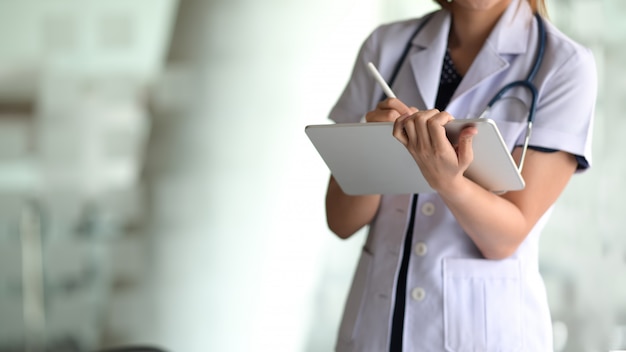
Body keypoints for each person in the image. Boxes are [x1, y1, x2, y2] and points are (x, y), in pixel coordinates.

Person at [324, 0, 596, 351]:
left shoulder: (564, 66)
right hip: (377, 327)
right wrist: (374, 151)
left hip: (482, 330)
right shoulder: (385, 46)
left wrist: (449, 182)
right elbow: (340, 220)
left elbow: (504, 240)